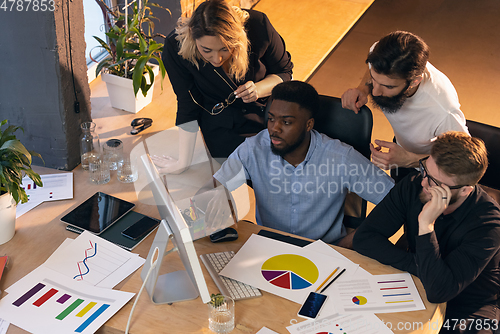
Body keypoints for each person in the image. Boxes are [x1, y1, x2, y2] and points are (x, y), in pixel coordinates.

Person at [211, 81, 394, 247]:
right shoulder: (253, 149)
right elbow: (216, 188)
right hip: (270, 248)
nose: (274, 128)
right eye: (272, 118)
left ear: (308, 125)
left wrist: (352, 242)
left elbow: (396, 201)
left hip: (325, 253)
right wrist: (221, 207)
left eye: (286, 122)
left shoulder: (341, 157)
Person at [353, 131, 500, 333]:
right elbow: (364, 238)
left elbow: (440, 291)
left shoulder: (488, 225)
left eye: (435, 183)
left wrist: (426, 225)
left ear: (465, 190)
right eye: (424, 169)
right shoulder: (415, 185)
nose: (423, 182)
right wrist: (419, 266)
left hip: (467, 307)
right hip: (416, 285)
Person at [153, 0, 293, 173]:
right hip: (224, 124)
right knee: (255, 172)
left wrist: (259, 89)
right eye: (206, 50)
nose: (217, 59)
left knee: (297, 166)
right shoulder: (176, 47)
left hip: (270, 113)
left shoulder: (258, 25)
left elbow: (285, 73)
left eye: (225, 49)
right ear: (192, 35)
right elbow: (188, 104)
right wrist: (183, 162)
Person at [341, 31, 468, 179]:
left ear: (415, 81)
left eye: (388, 87)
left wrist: (409, 160)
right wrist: (363, 88)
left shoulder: (443, 111)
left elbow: (462, 161)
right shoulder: (379, 53)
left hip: (434, 172)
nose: (375, 92)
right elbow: (372, 70)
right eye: (374, 79)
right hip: (403, 152)